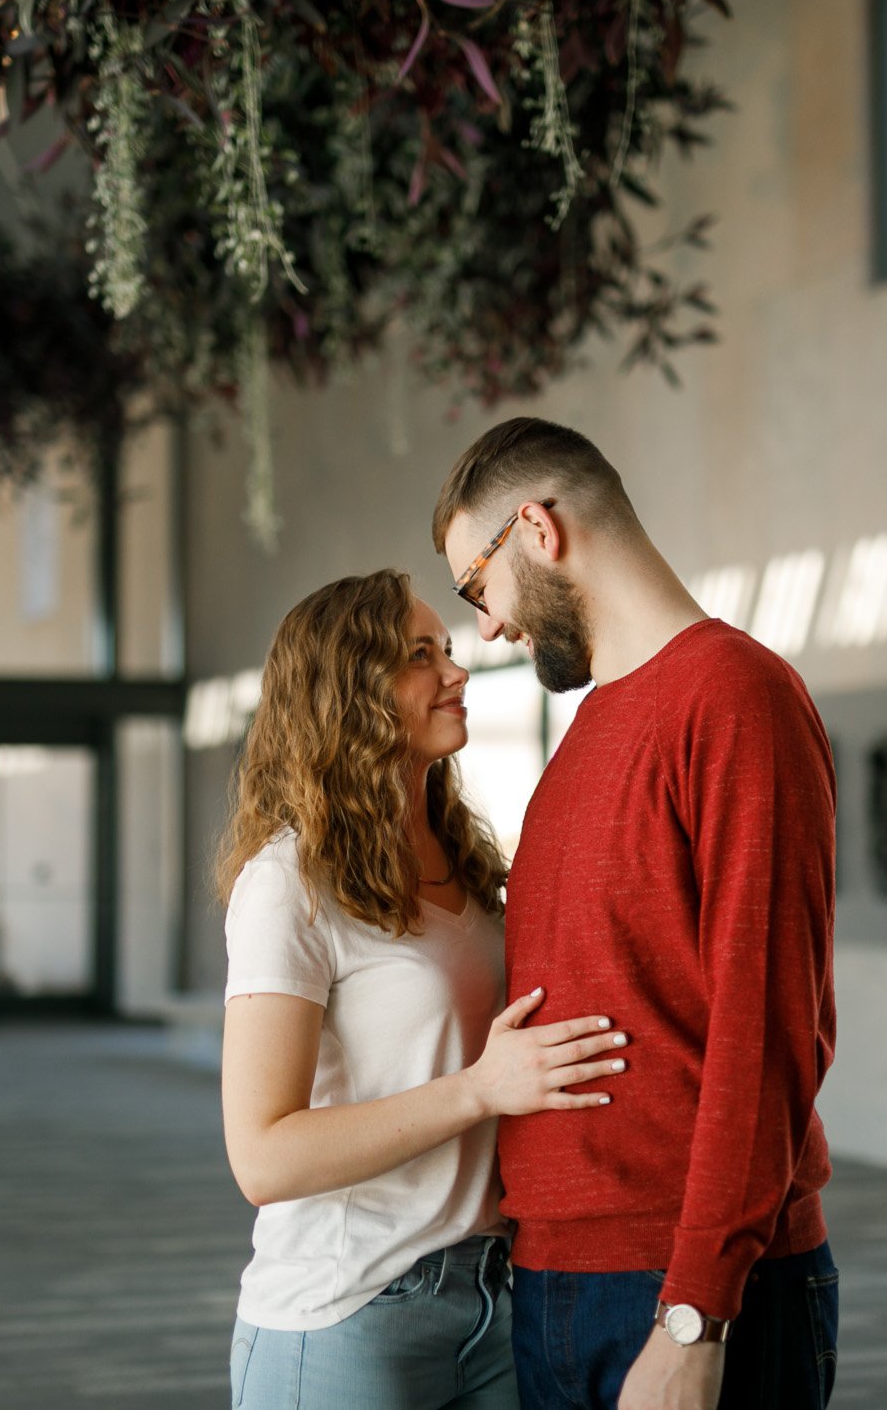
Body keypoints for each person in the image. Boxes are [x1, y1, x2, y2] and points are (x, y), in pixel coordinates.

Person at [431, 419, 840, 1410]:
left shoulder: (736, 697)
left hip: (687, 1291)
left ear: (537, 528)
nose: (485, 628)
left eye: (473, 588)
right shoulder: (589, 734)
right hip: (558, 1282)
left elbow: (769, 1030)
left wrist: (697, 1310)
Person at [218, 569, 633, 1409]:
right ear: (348, 691)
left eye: (446, 648)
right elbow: (263, 1157)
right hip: (348, 1312)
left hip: (493, 1296)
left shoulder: (467, 866)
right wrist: (480, 1089)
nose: (457, 671)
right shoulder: (288, 884)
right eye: (419, 656)